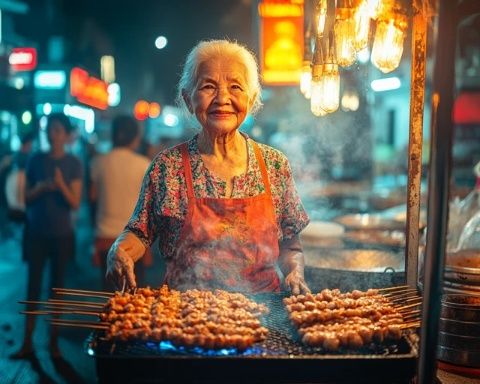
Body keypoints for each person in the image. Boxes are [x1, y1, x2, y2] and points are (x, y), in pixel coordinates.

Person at [106, 39, 310, 295]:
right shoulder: (167, 169)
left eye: (235, 86)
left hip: (265, 315)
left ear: (251, 99)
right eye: (208, 86)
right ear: (188, 99)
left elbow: (290, 244)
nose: (222, 98)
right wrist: (119, 251)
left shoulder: (274, 165)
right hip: (188, 316)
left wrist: (295, 270)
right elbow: (138, 233)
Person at [12, 113, 83, 359]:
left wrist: (61, 185)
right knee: (32, 287)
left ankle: (53, 343)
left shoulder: (74, 163)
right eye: (48, 130)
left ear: (65, 134)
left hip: (61, 236)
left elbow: (75, 202)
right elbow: (25, 198)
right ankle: (27, 341)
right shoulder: (35, 160)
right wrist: (41, 188)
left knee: (57, 289)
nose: (51, 134)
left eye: (56, 130)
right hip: (36, 233)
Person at [90, 115, 152, 291]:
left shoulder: (98, 162)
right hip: (135, 241)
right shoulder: (144, 164)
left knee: (110, 292)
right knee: (135, 293)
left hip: (105, 235)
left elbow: (92, 197)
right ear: (135, 137)